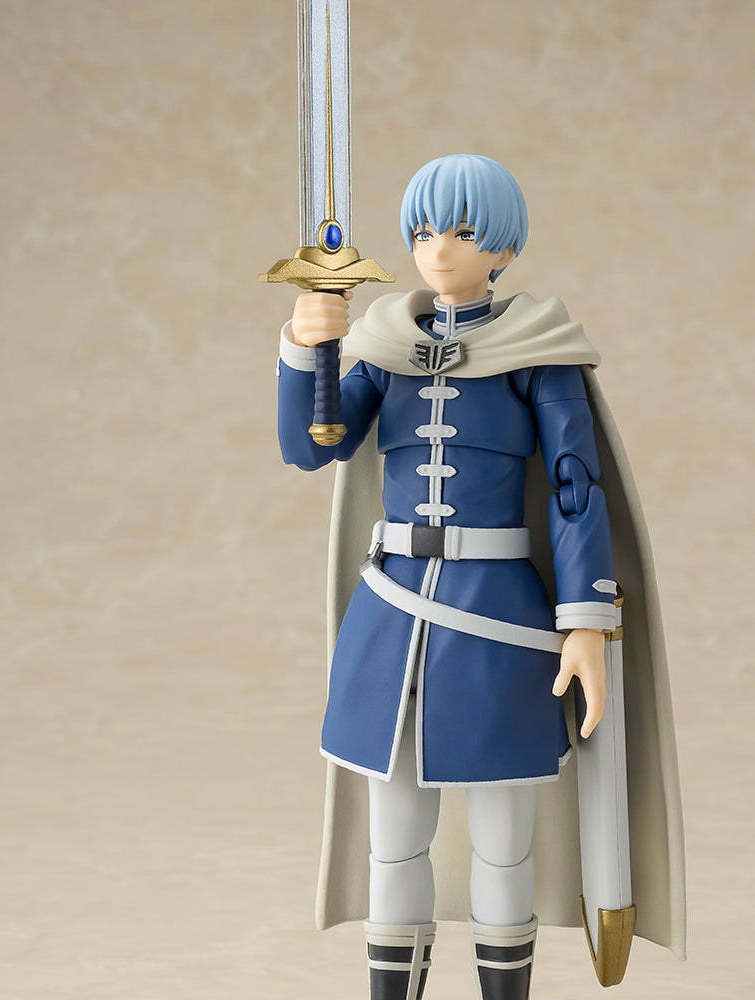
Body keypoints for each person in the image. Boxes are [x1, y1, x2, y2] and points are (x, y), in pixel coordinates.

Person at [276, 154, 682, 1000]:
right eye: (424, 231)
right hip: (390, 617)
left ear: (503, 246)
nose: (438, 249)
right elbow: (316, 445)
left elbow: (574, 488)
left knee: (505, 845)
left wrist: (585, 622)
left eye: (461, 231)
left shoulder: (539, 350)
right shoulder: (384, 345)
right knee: (393, 843)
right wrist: (307, 347)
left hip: (498, 619)